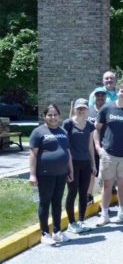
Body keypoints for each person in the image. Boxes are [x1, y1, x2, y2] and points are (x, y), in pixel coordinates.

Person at [94, 82, 123, 226]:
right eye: (121, 91)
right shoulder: (107, 108)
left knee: (122, 184)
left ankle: (122, 213)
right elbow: (96, 129)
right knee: (107, 184)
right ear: (118, 92)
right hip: (108, 152)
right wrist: (98, 148)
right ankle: (105, 214)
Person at [29, 104, 73, 245]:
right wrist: (32, 174)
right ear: (44, 116)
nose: (53, 117)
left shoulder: (63, 131)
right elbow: (33, 154)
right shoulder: (38, 132)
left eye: (55, 115)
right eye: (50, 115)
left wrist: (69, 169)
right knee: (45, 202)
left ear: (59, 116)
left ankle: (57, 231)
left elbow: (67, 152)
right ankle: (45, 233)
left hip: (61, 173)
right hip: (45, 174)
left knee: (57, 202)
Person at [62, 98, 96, 234]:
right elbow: (64, 145)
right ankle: (71, 223)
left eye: (84, 108)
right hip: (72, 162)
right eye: (79, 108)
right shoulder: (68, 123)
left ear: (87, 109)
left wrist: (93, 163)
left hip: (85, 162)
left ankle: (81, 220)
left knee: (84, 192)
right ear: (75, 109)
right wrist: (67, 165)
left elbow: (90, 145)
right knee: (72, 191)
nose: (81, 110)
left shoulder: (89, 125)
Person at [86, 87, 107, 204]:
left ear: (105, 97)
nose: (100, 97)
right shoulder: (88, 111)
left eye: (102, 95)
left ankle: (105, 198)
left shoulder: (109, 110)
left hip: (106, 147)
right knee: (91, 173)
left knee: (105, 174)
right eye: (97, 95)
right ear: (93, 97)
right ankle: (89, 195)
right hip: (90, 147)